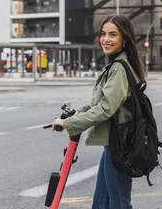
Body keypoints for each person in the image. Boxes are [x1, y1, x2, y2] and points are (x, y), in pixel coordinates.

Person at [52, 14, 145, 209]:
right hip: (113, 144)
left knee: (119, 203)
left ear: (124, 39)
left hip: (119, 145)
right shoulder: (116, 65)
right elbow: (101, 102)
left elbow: (105, 109)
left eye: (113, 34)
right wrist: (78, 111)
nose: (106, 39)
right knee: (101, 203)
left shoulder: (120, 68)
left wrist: (68, 124)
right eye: (103, 34)